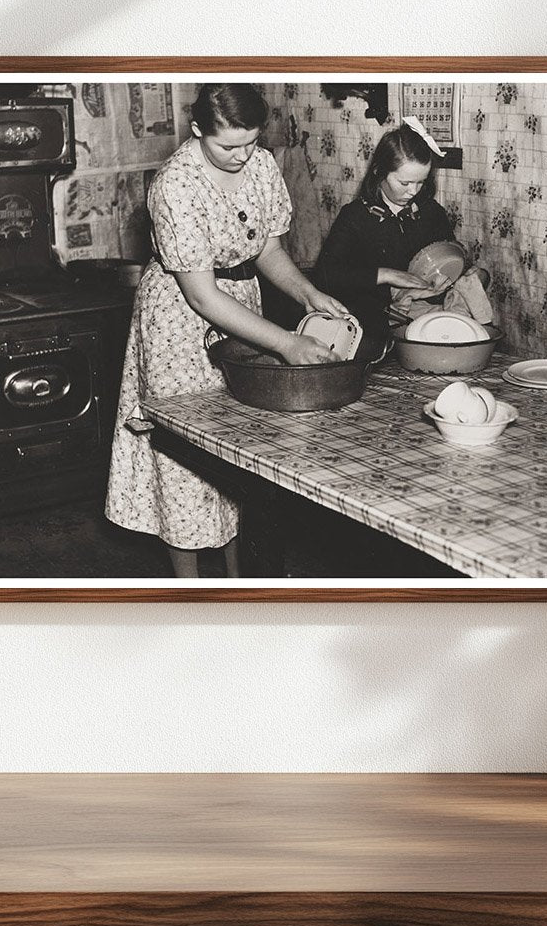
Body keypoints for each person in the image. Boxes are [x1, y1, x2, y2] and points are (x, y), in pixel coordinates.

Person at [105, 84, 347, 579]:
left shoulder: (259, 164)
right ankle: (189, 585)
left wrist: (307, 294)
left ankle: (239, 581)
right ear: (198, 130)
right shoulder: (176, 184)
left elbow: (269, 253)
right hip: (179, 321)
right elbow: (201, 296)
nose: (241, 157)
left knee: (240, 446)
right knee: (184, 449)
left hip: (243, 307)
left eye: (251, 142)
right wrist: (284, 341)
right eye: (227, 147)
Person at [314, 117, 488, 359]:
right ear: (379, 172)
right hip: (372, 329)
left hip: (424, 323)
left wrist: (450, 279)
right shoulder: (355, 217)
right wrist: (385, 275)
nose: (413, 192)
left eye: (421, 182)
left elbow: (449, 259)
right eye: (404, 182)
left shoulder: (431, 213)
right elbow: (325, 276)